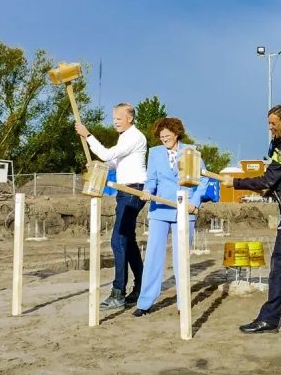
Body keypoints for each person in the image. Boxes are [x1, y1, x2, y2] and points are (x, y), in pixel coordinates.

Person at [221, 105, 281, 334]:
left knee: (280, 262)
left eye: (273, 123)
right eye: (269, 123)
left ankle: (269, 318)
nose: (270, 127)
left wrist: (234, 182)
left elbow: (267, 180)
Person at [132, 117, 208, 316]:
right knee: (153, 256)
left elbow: (203, 179)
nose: (164, 138)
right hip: (160, 209)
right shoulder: (155, 153)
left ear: (176, 134)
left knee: (181, 258)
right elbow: (151, 179)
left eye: (167, 135)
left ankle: (183, 304)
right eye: (161, 136)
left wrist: (195, 202)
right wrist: (147, 191)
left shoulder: (191, 151)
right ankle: (145, 303)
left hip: (185, 209)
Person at [76, 103, 148, 309]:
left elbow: (108, 154)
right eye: (114, 118)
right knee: (128, 241)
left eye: (118, 118)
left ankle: (118, 292)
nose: (115, 122)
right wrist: (97, 165)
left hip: (133, 191)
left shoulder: (134, 137)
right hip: (125, 191)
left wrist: (88, 136)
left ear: (129, 118)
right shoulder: (125, 137)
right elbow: (114, 163)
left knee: (118, 240)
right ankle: (141, 287)